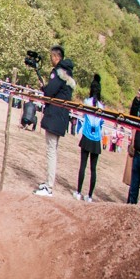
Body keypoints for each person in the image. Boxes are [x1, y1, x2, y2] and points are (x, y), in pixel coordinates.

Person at [33, 45, 74, 196]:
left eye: (52, 57)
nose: (51, 60)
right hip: (61, 116)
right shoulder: (68, 74)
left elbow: (50, 92)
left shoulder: (59, 73)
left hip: (55, 115)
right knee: (52, 149)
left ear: (57, 57)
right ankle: (48, 183)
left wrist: (45, 88)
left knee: (51, 151)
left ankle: (49, 187)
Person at [74, 74, 104, 202]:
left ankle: (78, 192)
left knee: (83, 165)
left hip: (86, 136)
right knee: (93, 168)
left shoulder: (87, 102)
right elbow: (101, 123)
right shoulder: (102, 107)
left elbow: (84, 116)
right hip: (96, 138)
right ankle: (90, 196)